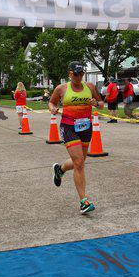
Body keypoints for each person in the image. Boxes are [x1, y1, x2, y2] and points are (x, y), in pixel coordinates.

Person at [50, 61, 104, 215]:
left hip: (86, 127)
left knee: (79, 161)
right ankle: (83, 202)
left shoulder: (90, 87)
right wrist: (53, 109)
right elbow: (51, 102)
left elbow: (102, 103)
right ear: (70, 74)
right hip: (68, 127)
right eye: (76, 74)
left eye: (81, 73)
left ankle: (60, 169)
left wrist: (96, 103)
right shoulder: (61, 89)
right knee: (79, 163)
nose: (79, 77)